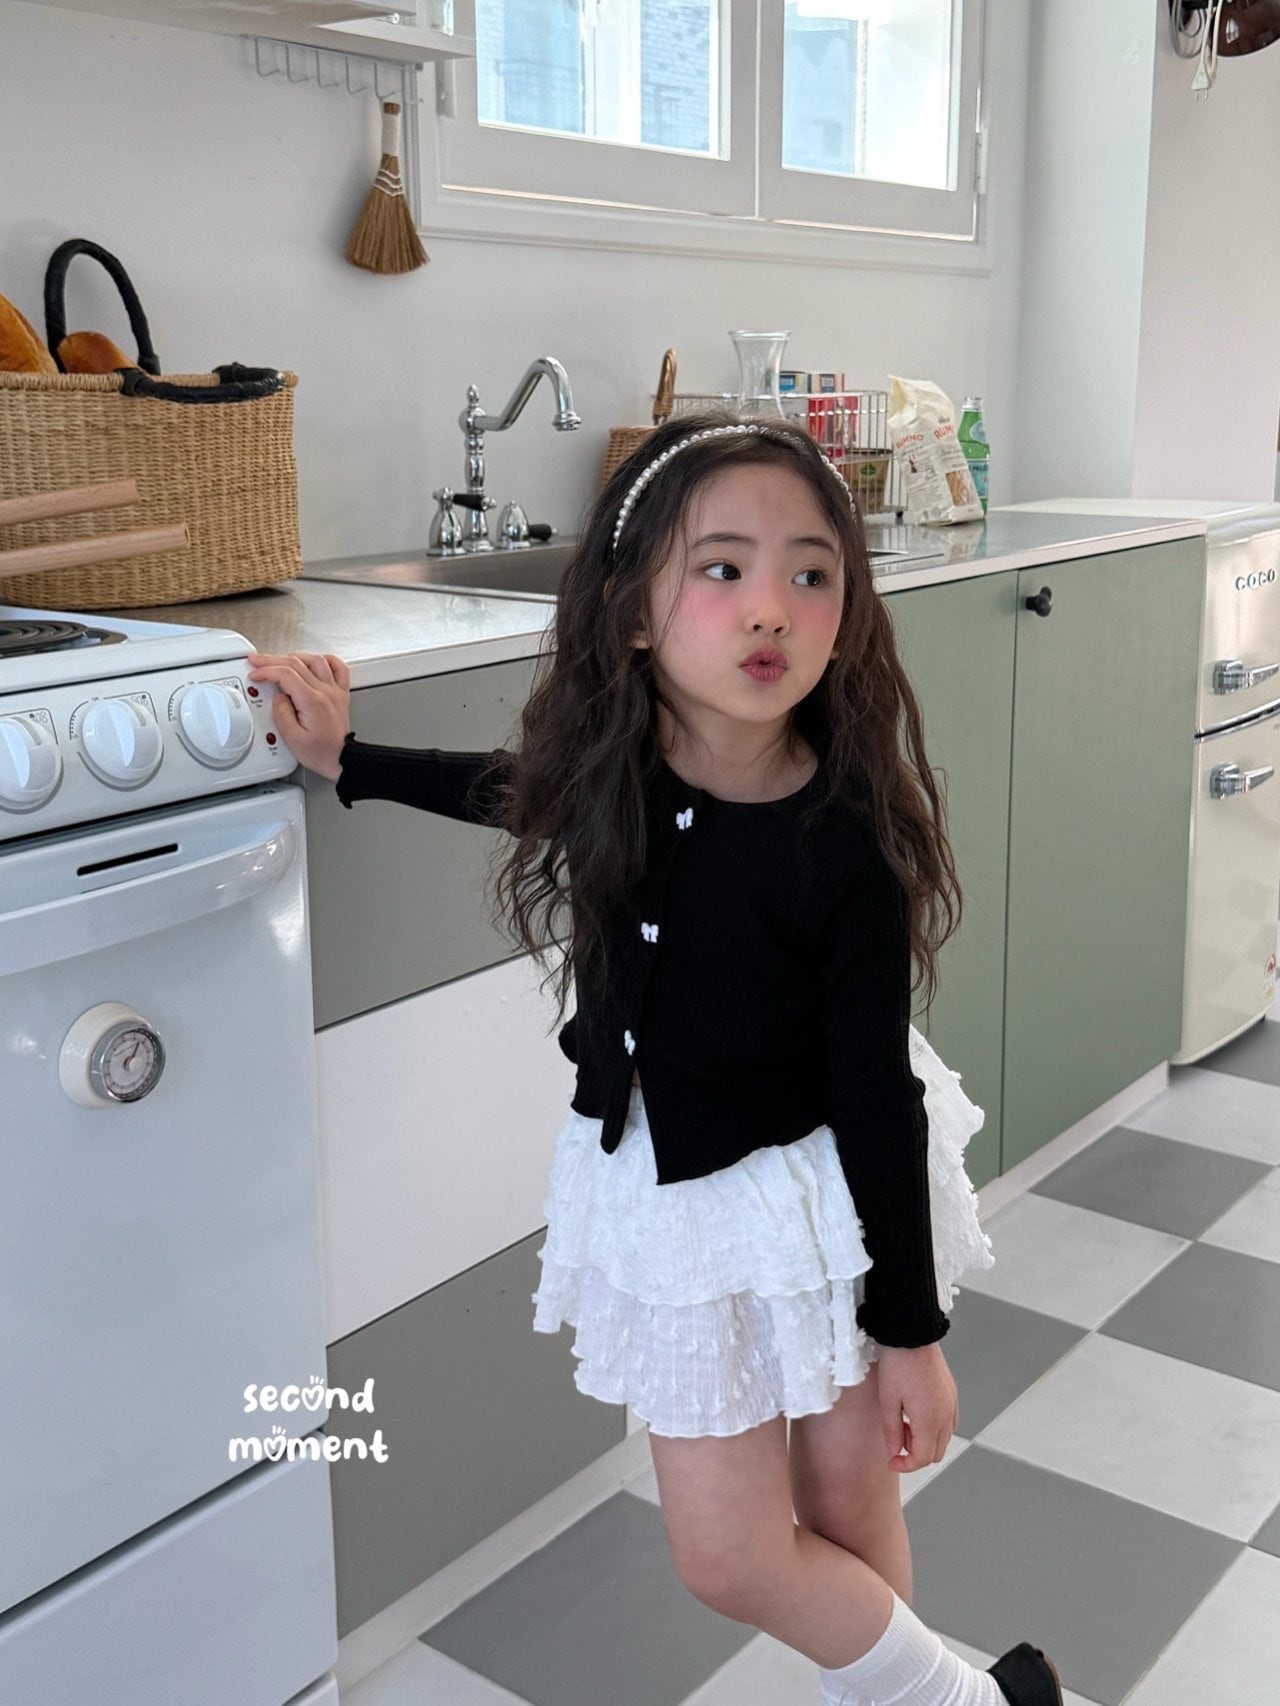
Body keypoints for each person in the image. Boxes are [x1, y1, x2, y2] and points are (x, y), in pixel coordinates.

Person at [246, 411, 1064, 1706]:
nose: (772, 605)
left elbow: (875, 1096)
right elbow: (505, 787)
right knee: (730, 1553)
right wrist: (347, 756)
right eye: (723, 566)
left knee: (848, 1506)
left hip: (823, 1197)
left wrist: (912, 1333)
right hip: (683, 1207)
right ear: (633, 612)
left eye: (812, 572)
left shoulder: (845, 845)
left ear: (846, 614)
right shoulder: (611, 776)